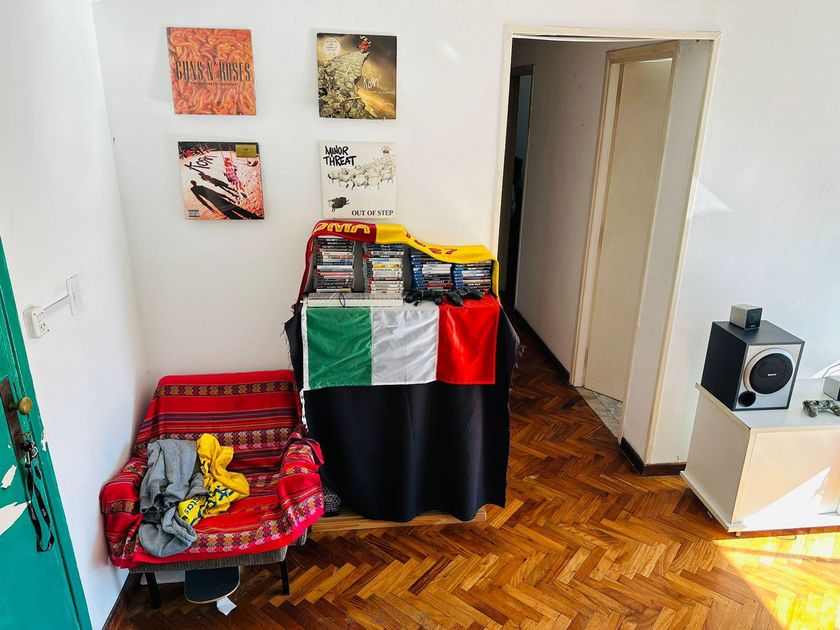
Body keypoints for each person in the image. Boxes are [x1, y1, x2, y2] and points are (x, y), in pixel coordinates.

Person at [189, 180, 260, 220]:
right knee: (235, 208)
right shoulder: (200, 187)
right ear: (195, 183)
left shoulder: (195, 189)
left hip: (214, 201)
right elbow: (211, 192)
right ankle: (253, 217)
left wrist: (208, 206)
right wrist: (223, 196)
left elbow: (201, 197)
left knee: (230, 213)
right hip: (217, 198)